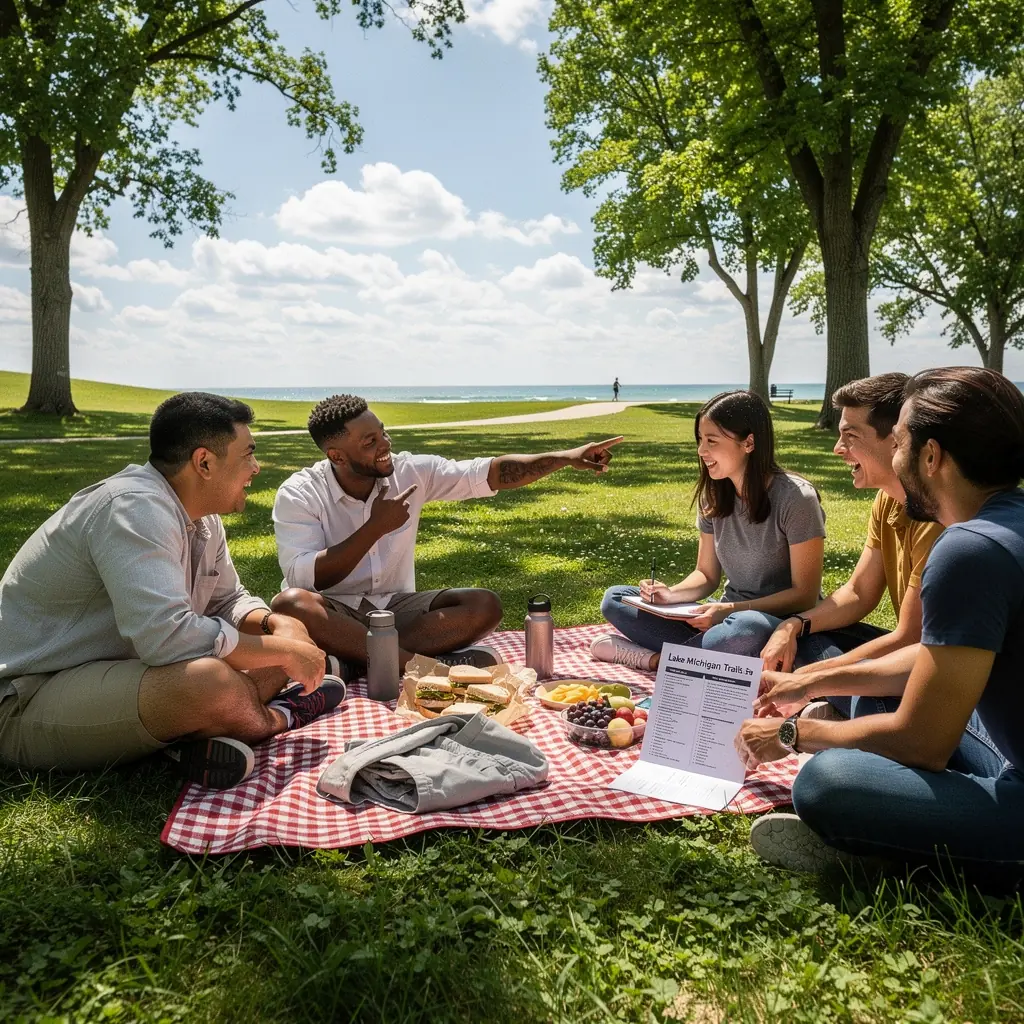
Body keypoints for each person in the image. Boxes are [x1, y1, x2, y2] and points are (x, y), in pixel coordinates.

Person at [737, 367, 1024, 875]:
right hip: (1000, 743)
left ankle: (885, 854)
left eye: (901, 442)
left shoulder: (968, 549)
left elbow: (922, 743)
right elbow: (929, 657)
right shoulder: (1004, 523)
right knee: (870, 709)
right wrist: (808, 679)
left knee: (826, 782)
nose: (894, 455)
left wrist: (790, 735)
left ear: (930, 456)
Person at [0, 394, 344, 790]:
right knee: (209, 682)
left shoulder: (202, 518)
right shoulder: (133, 507)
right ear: (204, 463)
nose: (256, 467)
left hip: (127, 673)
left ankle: (204, 732)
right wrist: (286, 653)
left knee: (266, 647)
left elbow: (227, 600)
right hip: (30, 695)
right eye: (248, 454)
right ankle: (280, 715)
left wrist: (276, 623)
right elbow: (167, 637)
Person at [270, 394, 622, 672]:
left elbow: (492, 473)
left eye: (383, 432)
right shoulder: (299, 493)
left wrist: (566, 457)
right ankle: (423, 667)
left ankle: (357, 660)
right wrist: (375, 527)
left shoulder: (410, 471)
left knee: (483, 604)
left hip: (394, 608)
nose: (385, 445)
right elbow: (307, 578)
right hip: (334, 611)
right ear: (337, 456)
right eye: (370, 441)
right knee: (291, 604)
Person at [742, 374, 945, 719]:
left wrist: (808, 680)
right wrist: (793, 624)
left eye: (850, 436)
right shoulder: (887, 500)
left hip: (935, 667)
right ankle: (839, 703)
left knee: (859, 690)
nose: (837, 448)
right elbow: (858, 593)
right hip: (909, 653)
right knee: (808, 638)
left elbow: (910, 638)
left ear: (896, 440)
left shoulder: (936, 517)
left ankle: (845, 708)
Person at [592, 390, 826, 671]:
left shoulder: (796, 498)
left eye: (711, 441)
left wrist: (728, 612)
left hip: (771, 624)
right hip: (721, 618)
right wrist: (671, 595)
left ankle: (659, 661)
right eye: (700, 440)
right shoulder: (714, 496)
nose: (701, 451)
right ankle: (709, 661)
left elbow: (805, 595)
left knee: (741, 631)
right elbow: (706, 575)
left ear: (749, 442)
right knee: (616, 599)